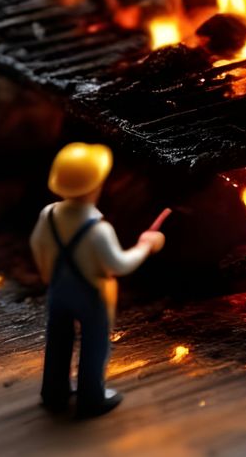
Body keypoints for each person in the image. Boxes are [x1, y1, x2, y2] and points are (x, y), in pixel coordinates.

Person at [29, 143, 164, 419]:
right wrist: (145, 246)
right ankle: (91, 397)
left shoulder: (48, 215)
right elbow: (119, 265)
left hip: (58, 291)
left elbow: (37, 245)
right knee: (94, 344)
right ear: (95, 187)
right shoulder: (99, 230)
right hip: (91, 296)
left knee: (58, 340)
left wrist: (47, 276)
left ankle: (54, 391)